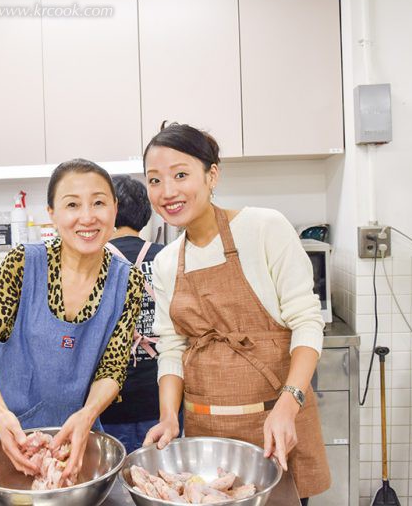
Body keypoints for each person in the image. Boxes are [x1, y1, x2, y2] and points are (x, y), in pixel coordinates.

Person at [141, 124, 330, 504]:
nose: (168, 191)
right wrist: (167, 417)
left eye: (181, 175)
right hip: (206, 437)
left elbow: (307, 322)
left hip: (274, 427)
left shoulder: (264, 228)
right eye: (155, 180)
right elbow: (172, 349)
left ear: (212, 175)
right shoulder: (165, 262)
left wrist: (288, 405)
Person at [0, 159, 144, 483]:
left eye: (99, 202)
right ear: (52, 213)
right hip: (10, 433)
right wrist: (1, 415)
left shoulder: (128, 281)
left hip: (78, 436)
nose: (87, 217)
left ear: (115, 208)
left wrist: (87, 415)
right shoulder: (23, 264)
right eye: (72, 204)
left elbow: (112, 368)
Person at [99, 175, 165, 454]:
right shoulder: (168, 256)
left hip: (109, 397)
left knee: (113, 484)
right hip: (162, 396)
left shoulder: (94, 261)